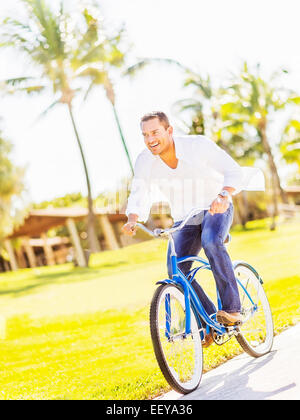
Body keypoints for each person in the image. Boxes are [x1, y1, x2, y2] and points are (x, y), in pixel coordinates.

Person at [122, 111, 264, 347]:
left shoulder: (197, 146)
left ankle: (232, 309)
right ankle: (209, 321)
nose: (150, 139)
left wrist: (224, 195)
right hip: (184, 218)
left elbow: (234, 171)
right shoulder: (144, 160)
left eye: (155, 132)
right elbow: (139, 190)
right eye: (145, 135)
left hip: (215, 207)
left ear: (169, 130)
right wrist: (132, 217)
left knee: (211, 241)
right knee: (176, 269)